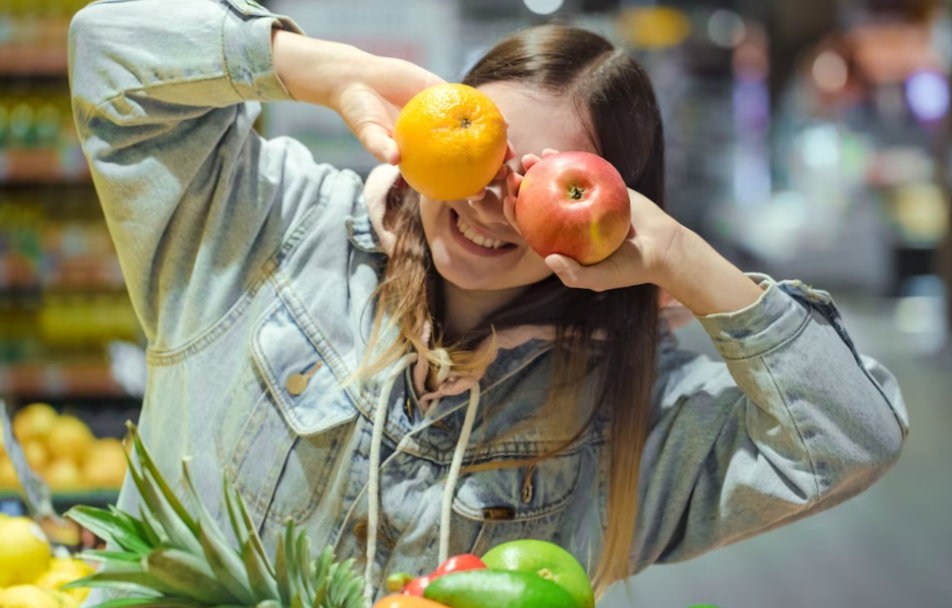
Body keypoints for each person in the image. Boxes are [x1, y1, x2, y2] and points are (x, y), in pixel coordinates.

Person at [68, 0, 908, 605]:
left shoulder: (632, 419)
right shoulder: (272, 224)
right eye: (482, 154)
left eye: (542, 181)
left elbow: (851, 438)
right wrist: (328, 70)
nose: (487, 203)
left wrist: (683, 261)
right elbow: (105, 53)